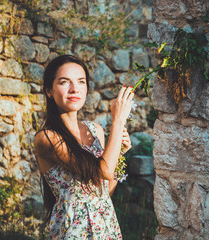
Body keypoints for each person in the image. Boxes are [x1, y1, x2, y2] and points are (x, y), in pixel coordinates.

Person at [34, 55, 134, 239]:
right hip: (73, 229)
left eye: (81, 82)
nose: (74, 89)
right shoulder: (47, 137)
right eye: (64, 82)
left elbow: (104, 191)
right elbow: (102, 171)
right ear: (49, 90)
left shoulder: (94, 130)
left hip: (105, 225)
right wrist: (118, 121)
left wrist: (119, 154)